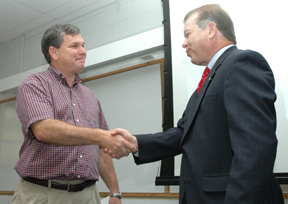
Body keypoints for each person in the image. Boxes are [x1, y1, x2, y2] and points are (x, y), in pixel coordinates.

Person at [107, 4, 284, 204]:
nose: (183, 43)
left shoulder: (241, 63)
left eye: (188, 34)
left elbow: (255, 152)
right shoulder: (208, 80)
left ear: (211, 30)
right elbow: (184, 134)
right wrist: (136, 144)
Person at [11, 24, 135, 204]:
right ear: (53, 52)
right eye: (74, 46)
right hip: (43, 194)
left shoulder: (90, 96)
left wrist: (114, 192)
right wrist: (101, 135)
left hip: (88, 195)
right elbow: (44, 130)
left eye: (83, 45)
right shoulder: (34, 85)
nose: (83, 51)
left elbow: (101, 148)